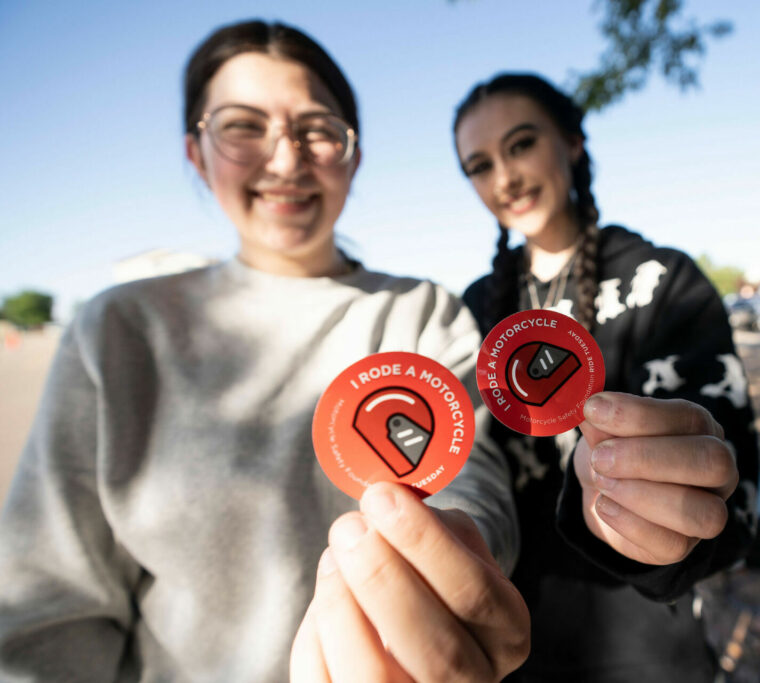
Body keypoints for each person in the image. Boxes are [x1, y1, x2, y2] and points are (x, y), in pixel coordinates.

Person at [0, 21, 529, 682]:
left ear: (353, 154)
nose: (285, 160)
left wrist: (458, 569)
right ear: (197, 153)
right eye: (243, 126)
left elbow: (474, 491)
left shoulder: (422, 312)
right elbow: (47, 613)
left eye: (316, 129)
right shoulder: (119, 329)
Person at [453, 73, 760, 680]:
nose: (505, 178)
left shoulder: (664, 278)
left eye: (520, 145)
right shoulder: (472, 306)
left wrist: (673, 508)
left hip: (642, 630)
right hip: (513, 624)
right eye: (479, 165)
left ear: (571, 142)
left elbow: (734, 480)